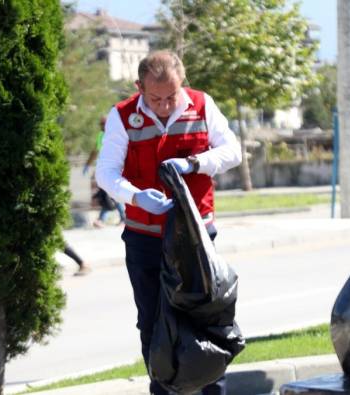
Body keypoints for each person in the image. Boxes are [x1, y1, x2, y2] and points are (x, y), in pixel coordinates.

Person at [95, 50, 242, 395]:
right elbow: (106, 173)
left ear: (182, 83)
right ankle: (163, 390)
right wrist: (135, 195)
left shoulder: (202, 105)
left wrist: (195, 163)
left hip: (195, 237)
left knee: (205, 319)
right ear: (139, 87)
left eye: (171, 96)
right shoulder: (122, 115)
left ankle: (212, 390)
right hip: (144, 238)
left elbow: (232, 151)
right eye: (155, 97)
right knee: (152, 322)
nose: (163, 105)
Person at [84, 118, 126, 228]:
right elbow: (95, 151)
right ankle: (103, 219)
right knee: (105, 194)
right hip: (103, 169)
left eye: (103, 124)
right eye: (101, 124)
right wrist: (88, 164)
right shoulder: (101, 135)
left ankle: (119, 218)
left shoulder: (115, 134)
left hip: (114, 169)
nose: (102, 126)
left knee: (110, 194)